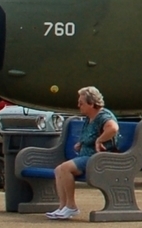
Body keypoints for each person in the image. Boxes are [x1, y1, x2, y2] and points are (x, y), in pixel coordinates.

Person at [50, 86, 119, 220]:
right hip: (86, 156)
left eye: (81, 103)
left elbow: (113, 128)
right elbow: (90, 135)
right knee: (58, 169)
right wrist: (81, 143)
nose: (78, 106)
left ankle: (71, 206)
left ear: (92, 104)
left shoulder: (103, 116)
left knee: (65, 168)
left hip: (97, 159)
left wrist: (100, 140)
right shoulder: (90, 117)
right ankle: (62, 206)